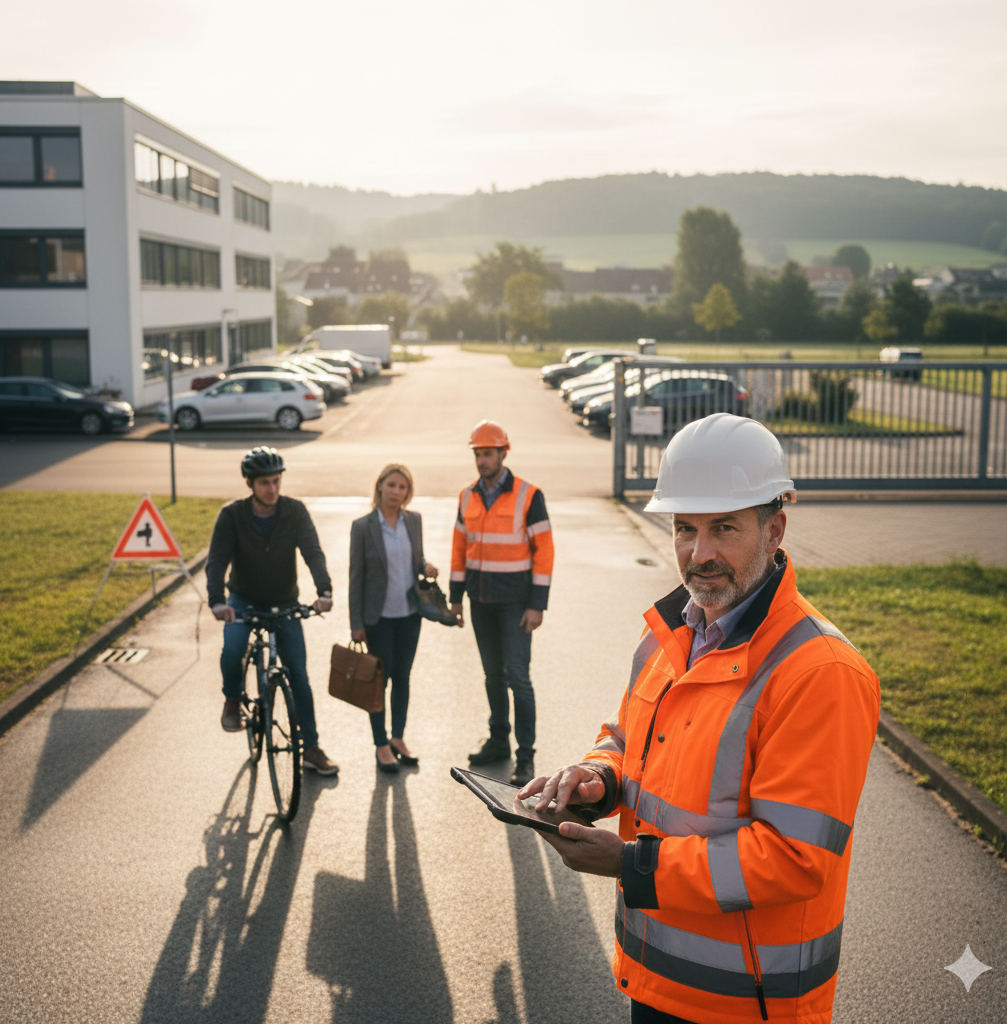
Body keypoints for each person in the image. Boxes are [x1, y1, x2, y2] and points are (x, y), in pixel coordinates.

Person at [520, 413, 881, 1024]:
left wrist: (627, 862)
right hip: (654, 979)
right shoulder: (671, 632)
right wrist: (598, 777)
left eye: (725, 528)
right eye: (685, 528)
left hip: (748, 1003)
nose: (700, 553)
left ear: (775, 531)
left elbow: (793, 856)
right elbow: (629, 737)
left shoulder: (820, 672)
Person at [207, 446, 338, 776]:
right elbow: (217, 561)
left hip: (285, 603)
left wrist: (324, 591)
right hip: (243, 601)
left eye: (277, 481)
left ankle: (310, 748)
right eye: (265, 482)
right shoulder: (232, 515)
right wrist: (217, 601)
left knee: (300, 676)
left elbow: (312, 552)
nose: (273, 489)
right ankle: (233, 700)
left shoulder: (294, 511)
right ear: (250, 484)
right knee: (233, 648)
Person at [450, 420, 555, 787]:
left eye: (488, 453)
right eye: (478, 454)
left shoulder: (528, 495)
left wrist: (536, 604)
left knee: (519, 679)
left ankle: (525, 756)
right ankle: (498, 741)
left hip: (516, 605)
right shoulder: (467, 496)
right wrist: (455, 598)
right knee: (492, 676)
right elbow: (459, 548)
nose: (482, 460)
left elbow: (544, 553)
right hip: (481, 602)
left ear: (503, 453)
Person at [349, 463, 439, 773]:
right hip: (378, 618)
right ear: (379, 487)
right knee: (379, 682)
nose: (396, 492)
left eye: (402, 487)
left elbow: (416, 559)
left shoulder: (413, 520)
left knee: (403, 677)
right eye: (391, 485)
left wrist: (425, 567)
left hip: (409, 615)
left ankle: (398, 738)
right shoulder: (363, 526)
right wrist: (356, 624)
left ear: (407, 492)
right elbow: (355, 577)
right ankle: (381, 743)